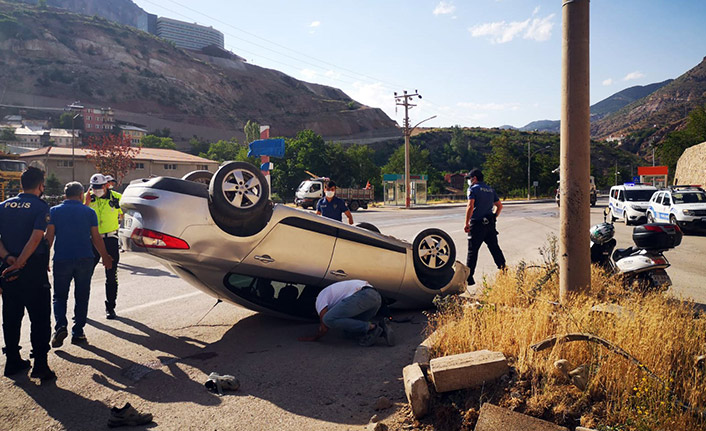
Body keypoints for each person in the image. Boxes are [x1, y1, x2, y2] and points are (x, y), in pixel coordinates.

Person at [0, 167, 55, 379]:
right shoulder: (40, 207)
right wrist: (21, 262)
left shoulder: (3, 206)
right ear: (41, 185)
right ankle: (40, 364)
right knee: (39, 317)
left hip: (8, 269)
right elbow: (35, 238)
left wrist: (8, 259)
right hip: (32, 270)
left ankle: (12, 360)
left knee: (11, 316)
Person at [46, 182, 113, 347]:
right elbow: (96, 237)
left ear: (65, 195)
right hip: (85, 258)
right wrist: (105, 256)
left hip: (62, 259)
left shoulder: (54, 211)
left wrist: (44, 259)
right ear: (82, 194)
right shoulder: (89, 212)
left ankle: (60, 325)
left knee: (59, 296)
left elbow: (49, 238)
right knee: (82, 296)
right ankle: (78, 332)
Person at [298, 279, 394, 347]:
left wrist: (314, 338)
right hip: (376, 297)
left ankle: (373, 328)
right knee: (348, 331)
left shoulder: (319, 299)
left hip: (363, 296)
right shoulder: (332, 293)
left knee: (328, 319)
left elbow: (324, 325)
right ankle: (381, 330)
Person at [85, 173, 122, 319]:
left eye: (99, 187)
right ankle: (82, 308)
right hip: (92, 240)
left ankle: (110, 307)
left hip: (110, 239)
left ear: (106, 185)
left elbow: (126, 213)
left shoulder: (117, 198)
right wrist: (86, 202)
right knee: (85, 275)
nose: (97, 190)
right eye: (94, 187)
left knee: (111, 275)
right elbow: (79, 214)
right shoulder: (86, 197)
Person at [464, 168, 506, 286]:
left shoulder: (473, 189)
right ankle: (503, 269)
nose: (469, 181)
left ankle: (469, 278)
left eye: (470, 178)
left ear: (475, 178)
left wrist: (466, 223)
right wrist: (494, 217)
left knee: (472, 251)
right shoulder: (490, 190)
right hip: (490, 224)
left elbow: (470, 206)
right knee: (494, 248)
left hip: (477, 224)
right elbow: (499, 206)